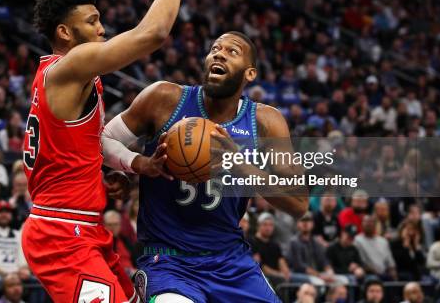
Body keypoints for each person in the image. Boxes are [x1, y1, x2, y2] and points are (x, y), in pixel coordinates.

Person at [21, 0, 200, 303]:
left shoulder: (68, 76)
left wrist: (135, 164)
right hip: (61, 233)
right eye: (92, 22)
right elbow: (151, 35)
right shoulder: (71, 66)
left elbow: (89, 142)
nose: (102, 29)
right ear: (65, 33)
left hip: (81, 226)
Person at [102, 31, 308, 302]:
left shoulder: (266, 122)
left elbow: (298, 203)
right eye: (215, 48)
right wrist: (137, 164)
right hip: (169, 261)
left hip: (231, 262)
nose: (219, 53)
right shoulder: (164, 99)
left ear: (250, 74)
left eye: (232, 51)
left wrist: (238, 163)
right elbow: (103, 139)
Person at [288, 212, 347, 286]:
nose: (305, 223)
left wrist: (329, 271)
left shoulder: (315, 241)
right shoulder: (294, 242)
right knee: (319, 283)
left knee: (343, 280)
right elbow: (299, 266)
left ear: (313, 224)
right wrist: (319, 275)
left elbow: (323, 260)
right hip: (299, 274)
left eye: (308, 220)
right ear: (297, 224)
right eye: (302, 220)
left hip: (316, 274)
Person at [251, 212, 291, 287]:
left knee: (304, 280)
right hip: (263, 277)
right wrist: (280, 275)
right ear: (258, 226)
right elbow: (261, 267)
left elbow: (281, 261)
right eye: (265, 224)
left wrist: (286, 273)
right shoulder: (252, 243)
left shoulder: (275, 245)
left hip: (279, 276)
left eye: (270, 225)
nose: (268, 228)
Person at [354, 215, 397, 280]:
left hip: (384, 273)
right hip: (368, 274)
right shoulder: (357, 240)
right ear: (362, 224)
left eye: (371, 222)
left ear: (375, 225)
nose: (368, 224)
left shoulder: (383, 241)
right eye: (365, 222)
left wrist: (394, 274)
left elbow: (390, 263)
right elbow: (360, 261)